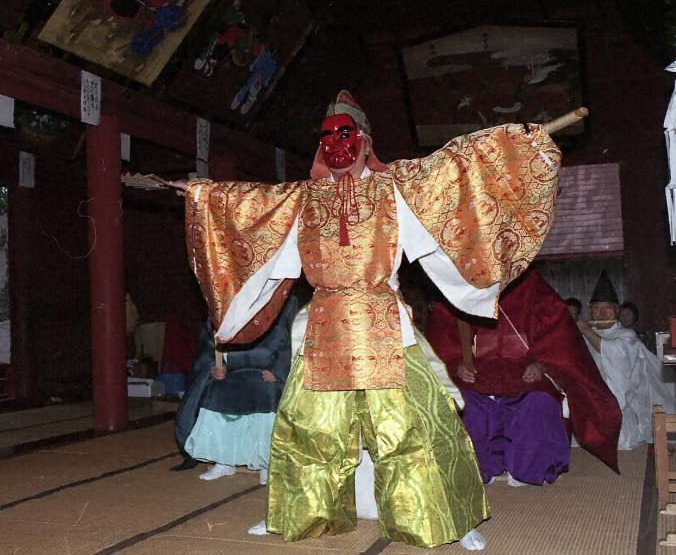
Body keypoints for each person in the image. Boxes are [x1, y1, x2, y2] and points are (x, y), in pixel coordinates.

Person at [173, 90, 565, 550]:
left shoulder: (395, 189)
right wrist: (200, 193)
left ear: (364, 141)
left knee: (412, 426)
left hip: (383, 323)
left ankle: (446, 518)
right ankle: (297, 512)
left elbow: (457, 169)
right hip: (325, 325)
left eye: (346, 134)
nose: (337, 145)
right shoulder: (302, 199)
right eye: (327, 137)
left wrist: (516, 146)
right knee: (311, 428)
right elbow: (248, 203)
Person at [426, 269, 621, 488]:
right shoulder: (464, 285)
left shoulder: (532, 285)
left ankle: (527, 468)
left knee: (539, 400)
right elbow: (442, 341)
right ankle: (480, 467)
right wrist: (457, 364)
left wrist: (541, 364)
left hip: (526, 370)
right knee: (465, 402)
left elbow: (559, 338)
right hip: (478, 373)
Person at [171, 293, 299, 483]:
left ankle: (266, 463)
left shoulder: (283, 297)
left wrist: (279, 370)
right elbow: (211, 342)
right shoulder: (224, 296)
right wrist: (214, 366)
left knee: (266, 399)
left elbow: (293, 338)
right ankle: (224, 461)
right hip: (232, 370)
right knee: (216, 395)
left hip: (265, 371)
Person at [577, 272, 676, 450]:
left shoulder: (626, 335)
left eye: (607, 308)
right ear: (591, 310)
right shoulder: (584, 336)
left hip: (620, 403)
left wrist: (587, 331)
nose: (601, 313)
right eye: (597, 308)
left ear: (616, 311)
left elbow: (615, 354)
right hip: (589, 398)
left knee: (617, 440)